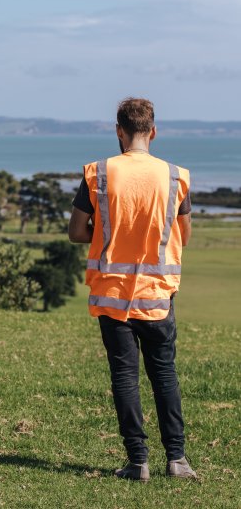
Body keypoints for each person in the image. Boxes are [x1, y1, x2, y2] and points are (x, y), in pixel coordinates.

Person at [68, 97, 197, 482]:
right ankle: (177, 460)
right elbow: (184, 236)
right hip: (157, 295)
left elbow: (76, 231)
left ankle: (137, 462)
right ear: (153, 132)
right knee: (164, 375)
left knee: (125, 376)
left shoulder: (99, 173)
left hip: (112, 295)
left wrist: (106, 234)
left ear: (119, 131)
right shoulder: (176, 176)